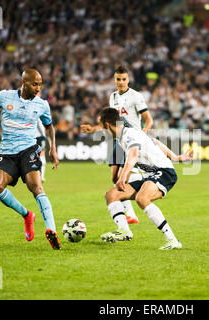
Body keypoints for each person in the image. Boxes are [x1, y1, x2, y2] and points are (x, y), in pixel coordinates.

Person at [0, 69, 61, 250]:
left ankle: (51, 230)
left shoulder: (42, 105)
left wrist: (53, 147)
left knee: (36, 186)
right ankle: (27, 215)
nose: (38, 88)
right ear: (24, 82)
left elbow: (49, 127)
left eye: (40, 84)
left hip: (28, 150)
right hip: (7, 152)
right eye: (34, 84)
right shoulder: (4, 97)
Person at [97, 108, 192, 249]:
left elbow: (133, 156)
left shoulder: (128, 135)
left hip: (164, 171)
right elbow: (154, 142)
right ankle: (124, 231)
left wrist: (122, 178)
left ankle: (172, 240)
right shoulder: (126, 135)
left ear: (107, 125)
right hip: (150, 175)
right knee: (111, 195)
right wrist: (176, 157)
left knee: (141, 198)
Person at [81, 66, 154, 224]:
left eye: (124, 79)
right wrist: (93, 128)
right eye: (118, 79)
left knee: (124, 177)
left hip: (131, 140)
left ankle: (133, 209)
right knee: (114, 178)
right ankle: (131, 213)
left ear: (128, 80)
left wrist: (144, 132)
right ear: (114, 80)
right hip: (117, 140)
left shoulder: (136, 96)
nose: (121, 82)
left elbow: (149, 119)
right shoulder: (112, 97)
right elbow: (110, 122)